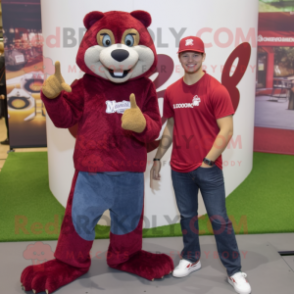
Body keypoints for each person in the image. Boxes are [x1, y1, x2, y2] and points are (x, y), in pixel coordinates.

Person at [150, 36, 252, 294]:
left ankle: (235, 271)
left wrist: (207, 161)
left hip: (208, 169)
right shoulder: (172, 91)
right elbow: (170, 129)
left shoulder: (216, 89)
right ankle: (191, 257)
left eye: (195, 54)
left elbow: (226, 130)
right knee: (187, 217)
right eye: (186, 55)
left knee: (219, 220)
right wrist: (158, 158)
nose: (191, 59)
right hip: (179, 168)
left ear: (203, 57)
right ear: (179, 57)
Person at [0, 42, 9, 145]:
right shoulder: (6, 58)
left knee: (7, 115)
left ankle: (9, 138)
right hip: (6, 88)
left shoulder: (1, 59)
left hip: (3, 90)